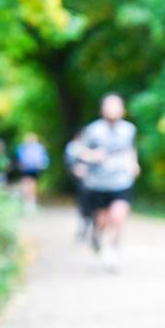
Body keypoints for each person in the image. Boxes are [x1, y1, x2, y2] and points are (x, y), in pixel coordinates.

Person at [79, 93, 139, 270]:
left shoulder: (129, 129)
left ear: (122, 109)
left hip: (121, 180)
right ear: (102, 109)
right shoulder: (92, 130)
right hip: (98, 182)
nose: (112, 110)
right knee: (102, 220)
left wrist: (134, 163)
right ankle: (97, 235)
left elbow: (131, 149)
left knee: (119, 216)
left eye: (116, 106)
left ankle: (114, 250)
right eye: (109, 106)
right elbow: (80, 151)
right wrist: (92, 156)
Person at [64, 130, 93, 241]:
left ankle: (90, 228)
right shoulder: (73, 147)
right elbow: (70, 163)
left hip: (96, 181)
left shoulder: (92, 145)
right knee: (84, 204)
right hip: (83, 181)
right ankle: (84, 228)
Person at [15, 132, 49, 213]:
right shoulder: (33, 147)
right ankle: (29, 202)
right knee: (30, 184)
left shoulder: (26, 147)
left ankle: (30, 202)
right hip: (30, 169)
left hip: (31, 169)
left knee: (30, 184)